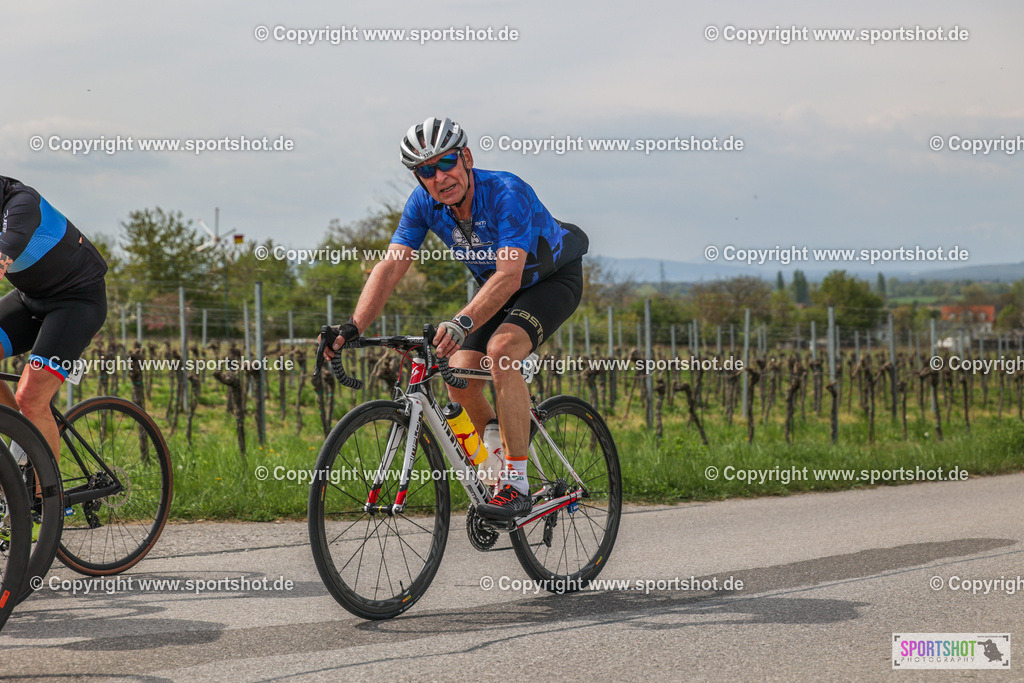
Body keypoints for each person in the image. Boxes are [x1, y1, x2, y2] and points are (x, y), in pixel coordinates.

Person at [323, 116, 588, 521]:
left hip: (549, 280)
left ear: (466, 157)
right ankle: (499, 462)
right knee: (458, 374)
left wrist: (461, 322)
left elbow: (509, 275)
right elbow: (390, 267)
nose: (440, 177)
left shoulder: (506, 192)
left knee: (502, 351)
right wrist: (353, 326)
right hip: (497, 289)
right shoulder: (423, 203)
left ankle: (517, 485)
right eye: (426, 171)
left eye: (446, 163)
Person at [0, 176, 108, 465]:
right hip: (30, 297)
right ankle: (23, 439)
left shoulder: (21, 203)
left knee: (31, 398)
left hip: (77, 302)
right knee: (27, 417)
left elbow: (4, 253)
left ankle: (49, 492)